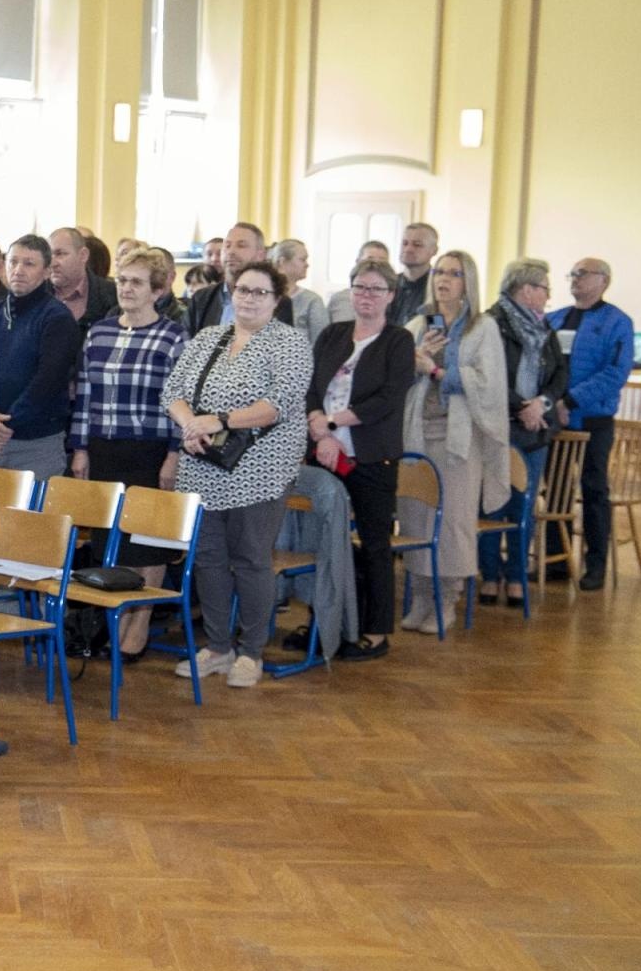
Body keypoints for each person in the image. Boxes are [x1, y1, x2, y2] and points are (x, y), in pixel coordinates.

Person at [162, 260, 311, 689]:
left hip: (261, 469)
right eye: (242, 289)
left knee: (250, 560)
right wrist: (191, 424)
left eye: (259, 292)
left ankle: (252, 651)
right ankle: (218, 647)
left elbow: (278, 404)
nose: (248, 298)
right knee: (207, 559)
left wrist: (218, 420)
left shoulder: (289, 343)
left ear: (276, 299)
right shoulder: (210, 338)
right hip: (202, 466)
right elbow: (173, 392)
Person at [69, 247, 187, 659]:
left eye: (137, 282)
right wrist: (80, 448)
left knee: (146, 544)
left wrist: (173, 454)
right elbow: (85, 394)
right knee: (109, 540)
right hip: (104, 448)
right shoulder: (99, 331)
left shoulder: (172, 336)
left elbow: (180, 400)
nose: (127, 288)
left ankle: (138, 623)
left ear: (157, 289)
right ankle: (112, 619)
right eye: (122, 280)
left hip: (150, 450)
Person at [305, 259, 415, 661]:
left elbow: (387, 399)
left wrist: (330, 423)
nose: (366, 296)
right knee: (321, 542)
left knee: (373, 545)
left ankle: (374, 630)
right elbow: (311, 385)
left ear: (390, 295)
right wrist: (319, 427)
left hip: (371, 457)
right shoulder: (333, 334)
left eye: (376, 289)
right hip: (323, 452)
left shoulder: (398, 340)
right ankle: (325, 621)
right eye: (360, 287)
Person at [399, 250, 510, 634]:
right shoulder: (420, 323)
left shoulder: (483, 328)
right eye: (440, 272)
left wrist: (437, 370)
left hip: (458, 437)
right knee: (414, 515)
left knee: (452, 522)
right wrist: (413, 365)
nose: (444, 279)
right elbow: (399, 375)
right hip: (418, 430)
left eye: (454, 274)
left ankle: (447, 599)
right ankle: (421, 597)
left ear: (469, 283)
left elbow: (490, 385)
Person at [477, 258, 568, 607]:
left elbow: (560, 371)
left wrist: (541, 403)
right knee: (493, 505)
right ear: (526, 289)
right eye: (545, 287)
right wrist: (522, 407)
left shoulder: (544, 327)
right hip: (501, 426)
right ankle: (490, 575)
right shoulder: (491, 324)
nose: (548, 295)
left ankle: (516, 576)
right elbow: (490, 378)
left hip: (537, 429)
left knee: (523, 507)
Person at [544, 258, 632, 592]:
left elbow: (614, 372)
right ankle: (556, 559)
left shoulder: (617, 322)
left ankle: (595, 565)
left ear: (603, 281)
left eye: (583, 274)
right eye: (573, 274)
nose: (575, 279)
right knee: (556, 491)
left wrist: (571, 401)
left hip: (592, 420)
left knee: (594, 490)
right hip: (555, 420)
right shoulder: (555, 319)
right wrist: (552, 402)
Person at [0, 234, 81, 481]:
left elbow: (48, 380)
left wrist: (7, 423)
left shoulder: (57, 318)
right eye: (13, 262)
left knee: (31, 518)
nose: (18, 270)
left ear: (47, 271)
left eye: (29, 264)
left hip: (36, 444)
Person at [184, 223, 294, 337]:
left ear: (260, 255)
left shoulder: (278, 302)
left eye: (241, 246)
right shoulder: (202, 298)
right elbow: (186, 345)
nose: (231, 251)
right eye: (227, 246)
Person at [49, 227, 118, 333]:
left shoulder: (111, 295)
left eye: (60, 254)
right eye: (49, 255)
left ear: (83, 255)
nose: (53, 263)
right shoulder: (36, 295)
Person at [271, 239, 328, 344]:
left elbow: (321, 344)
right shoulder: (262, 296)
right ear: (282, 262)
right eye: (302, 260)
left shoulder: (312, 301)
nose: (307, 265)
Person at [328, 240, 397, 323]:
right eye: (369, 260)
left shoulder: (392, 301)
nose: (375, 266)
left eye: (382, 262)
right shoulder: (339, 300)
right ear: (357, 262)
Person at [386, 223, 439, 328]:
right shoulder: (387, 285)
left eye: (417, 245)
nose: (408, 249)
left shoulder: (437, 289)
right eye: (405, 243)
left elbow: (436, 330)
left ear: (434, 250)